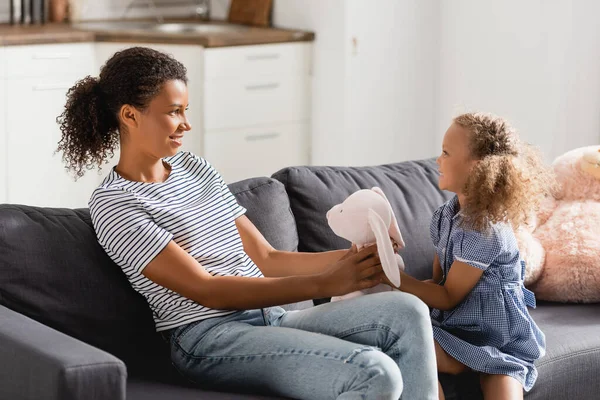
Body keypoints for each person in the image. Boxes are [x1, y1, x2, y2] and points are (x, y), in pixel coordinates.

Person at [56, 46, 438, 400]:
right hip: (208, 338)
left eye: (186, 110)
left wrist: (360, 257)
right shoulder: (116, 204)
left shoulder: (195, 169)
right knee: (375, 372)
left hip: (271, 318)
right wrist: (326, 283)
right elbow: (206, 290)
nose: (185, 124)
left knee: (408, 310)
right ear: (129, 115)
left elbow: (267, 258)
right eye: (173, 111)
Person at [395, 113, 551, 400]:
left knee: (504, 375)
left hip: (499, 336)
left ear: (477, 168)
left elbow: (448, 296)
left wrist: (394, 279)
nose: (438, 160)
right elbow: (437, 284)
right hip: (456, 328)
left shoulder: (486, 229)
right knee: (409, 345)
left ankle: (492, 368)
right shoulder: (444, 217)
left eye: (445, 152)